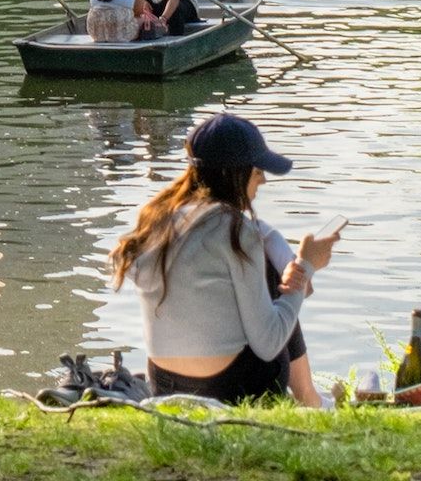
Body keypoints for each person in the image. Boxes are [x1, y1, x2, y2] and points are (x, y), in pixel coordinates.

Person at [111, 113, 340, 406]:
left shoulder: (157, 221)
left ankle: (311, 398)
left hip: (165, 383)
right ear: (238, 174)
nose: (264, 181)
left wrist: (278, 247)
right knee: (271, 280)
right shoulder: (237, 233)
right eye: (258, 172)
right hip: (234, 386)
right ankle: (311, 399)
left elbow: (219, 239)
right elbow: (269, 344)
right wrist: (305, 267)